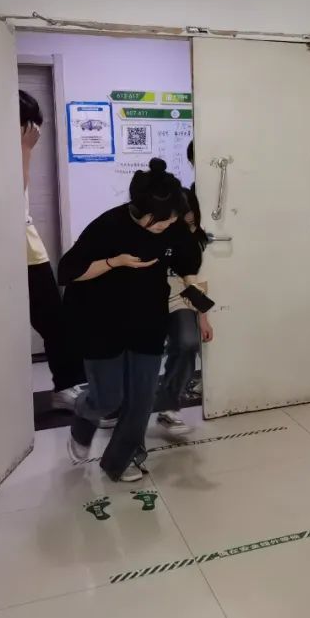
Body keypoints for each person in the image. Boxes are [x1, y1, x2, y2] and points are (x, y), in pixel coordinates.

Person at [59, 158, 201, 482]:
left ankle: (121, 460)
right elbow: (68, 271)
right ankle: (83, 418)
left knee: (141, 398)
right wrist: (115, 262)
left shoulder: (173, 225)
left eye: (173, 220)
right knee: (108, 398)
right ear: (141, 212)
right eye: (162, 221)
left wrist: (193, 288)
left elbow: (187, 259)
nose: (169, 226)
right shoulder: (108, 226)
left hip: (148, 318)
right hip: (101, 319)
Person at [19, 90, 86, 410]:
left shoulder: (16, 150)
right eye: (29, 126)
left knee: (56, 322)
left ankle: (68, 386)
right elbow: (14, 194)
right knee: (52, 322)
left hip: (27, 246)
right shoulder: (8, 150)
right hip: (8, 247)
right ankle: (68, 386)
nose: (34, 133)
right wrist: (25, 150)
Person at [154, 141, 214, 436]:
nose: (188, 217)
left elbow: (193, 278)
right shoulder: (159, 231)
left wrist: (202, 316)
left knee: (188, 343)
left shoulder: (198, 238)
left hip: (180, 295)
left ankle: (168, 406)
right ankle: (113, 403)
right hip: (149, 294)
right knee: (139, 355)